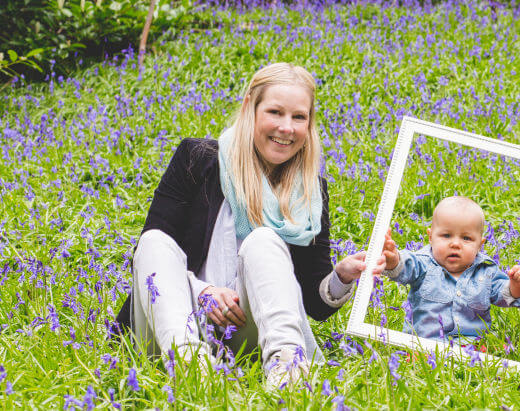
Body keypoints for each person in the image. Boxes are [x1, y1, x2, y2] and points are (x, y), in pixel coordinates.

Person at [114, 63, 383, 390]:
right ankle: (191, 367)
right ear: (249, 108)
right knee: (154, 241)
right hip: (174, 325)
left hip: (247, 336)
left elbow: (314, 304)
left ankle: (288, 368)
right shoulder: (197, 158)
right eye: (275, 112)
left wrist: (341, 276)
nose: (286, 128)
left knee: (264, 240)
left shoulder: (311, 193)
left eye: (299, 117)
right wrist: (203, 293)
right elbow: (150, 261)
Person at [380, 196, 520, 340]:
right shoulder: (423, 264)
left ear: (480, 244)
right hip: (425, 345)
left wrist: (517, 285)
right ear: (430, 237)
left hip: (471, 348)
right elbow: (405, 267)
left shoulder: (487, 272)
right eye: (446, 235)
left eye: (466, 238)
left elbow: (505, 297)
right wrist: (393, 259)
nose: (455, 244)